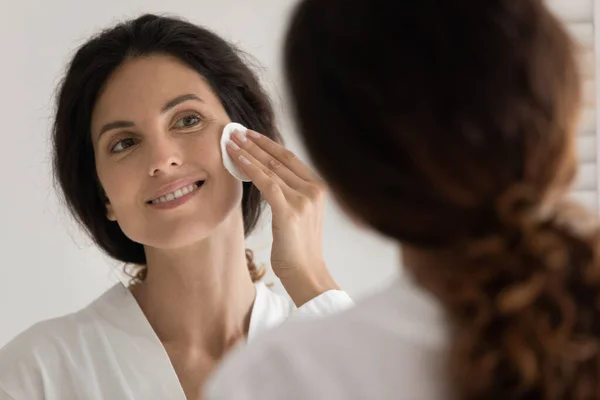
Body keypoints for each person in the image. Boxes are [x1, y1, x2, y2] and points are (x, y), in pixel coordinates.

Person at [204, 0, 599, 398]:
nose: (165, 162)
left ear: (344, 181)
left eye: (188, 120)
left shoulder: (275, 379)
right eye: (134, 140)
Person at [0, 14, 353, 400]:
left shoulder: (328, 352)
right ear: (103, 195)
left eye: (187, 120)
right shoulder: (36, 375)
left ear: (245, 140)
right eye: (124, 143)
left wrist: (311, 280)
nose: (162, 158)